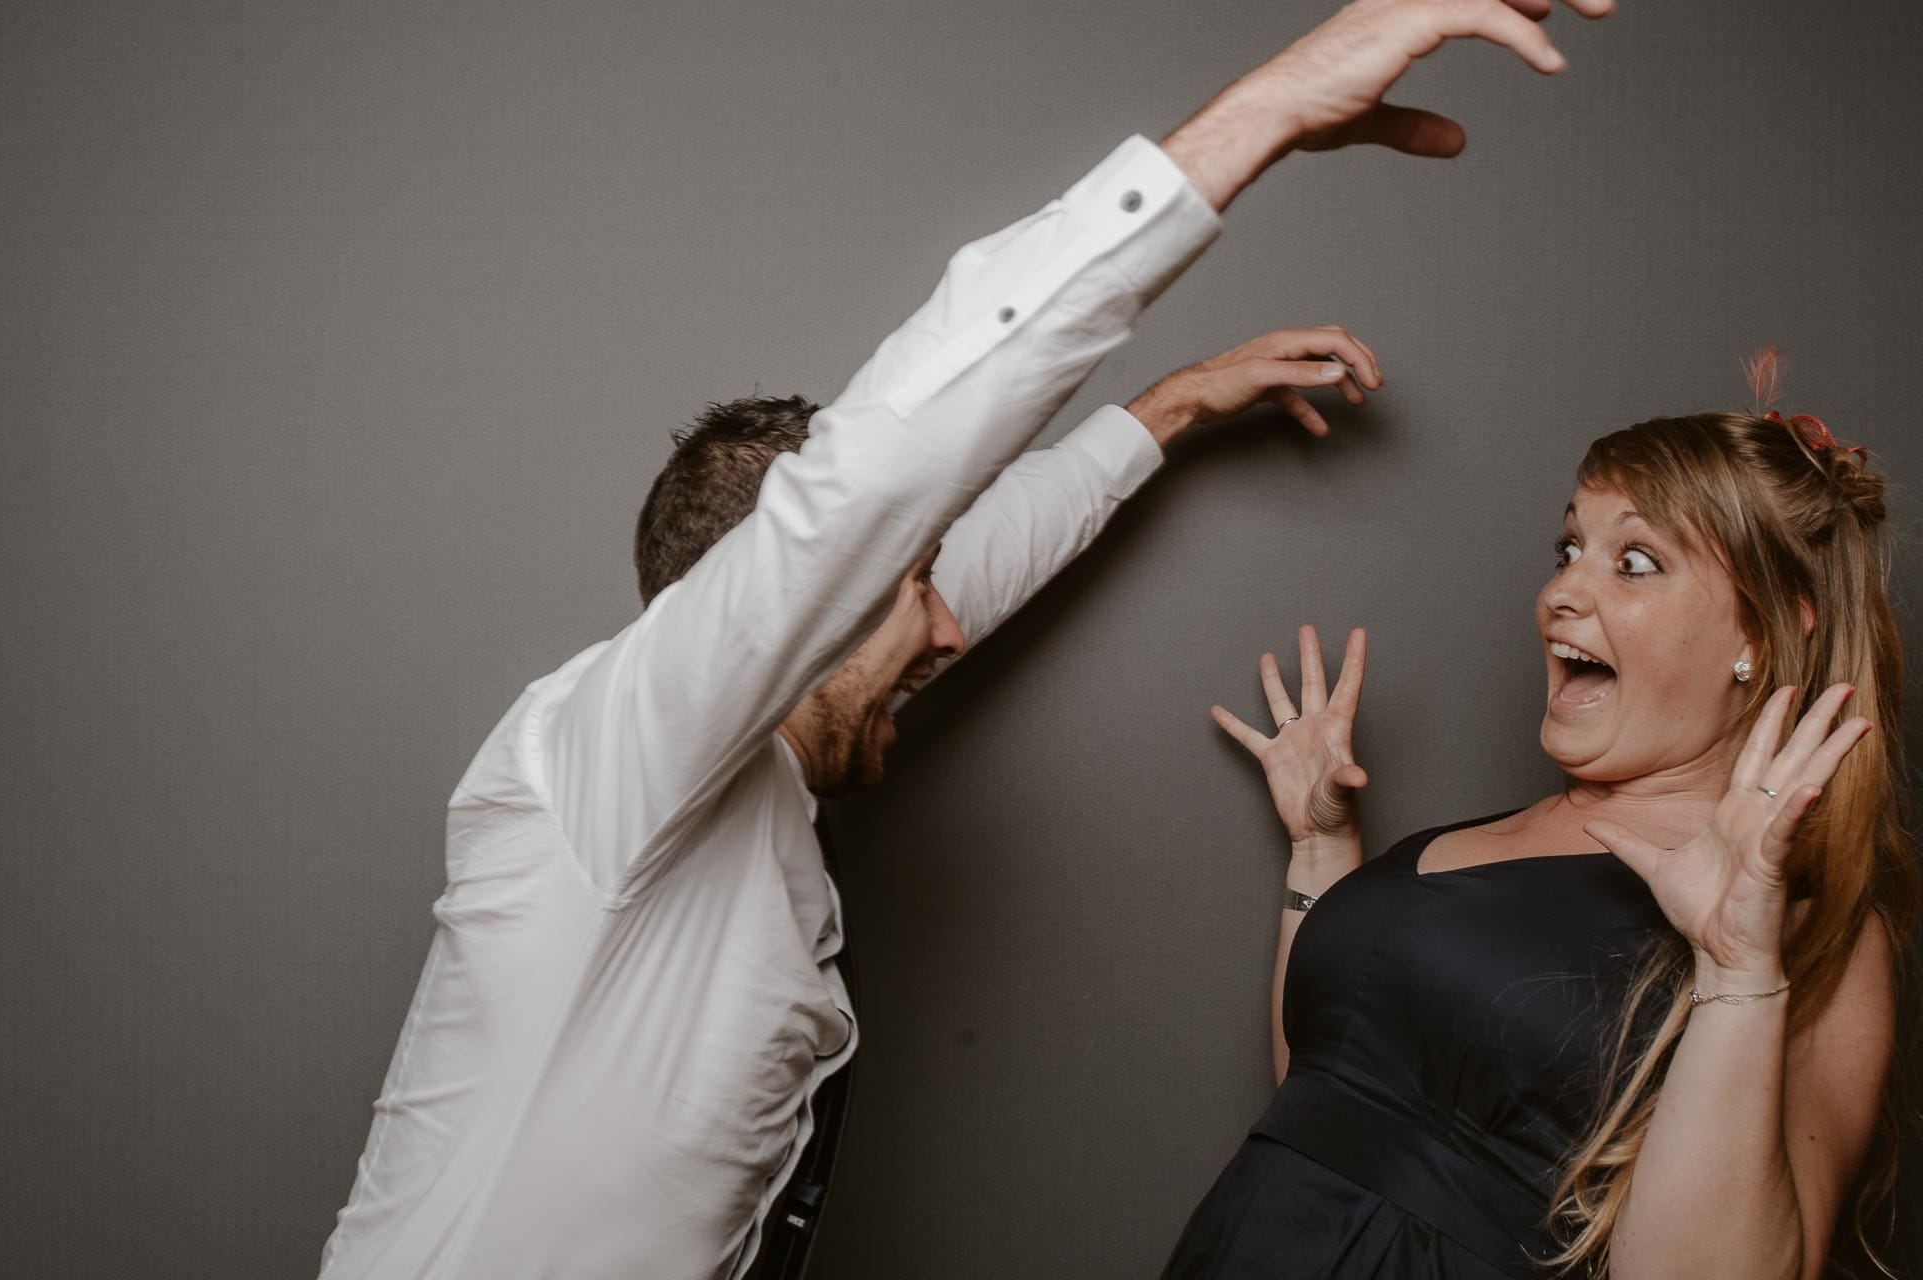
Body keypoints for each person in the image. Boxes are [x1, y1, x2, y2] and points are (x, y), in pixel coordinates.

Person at [315, 2, 1614, 1276]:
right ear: (786, 590)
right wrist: (1269, 111)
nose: (948, 624)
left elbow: (958, 565)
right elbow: (880, 489)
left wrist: (1169, 409)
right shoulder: (591, 762)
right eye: (906, 584)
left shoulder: (728, 759)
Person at [1165, 377, 1917, 1278]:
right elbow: (1322, 1097)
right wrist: (1324, 846)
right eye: (1570, 547)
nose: (1560, 590)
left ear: (1760, 629)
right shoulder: (1478, 834)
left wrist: (1737, 971)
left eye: (1633, 561)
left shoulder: (1818, 928)